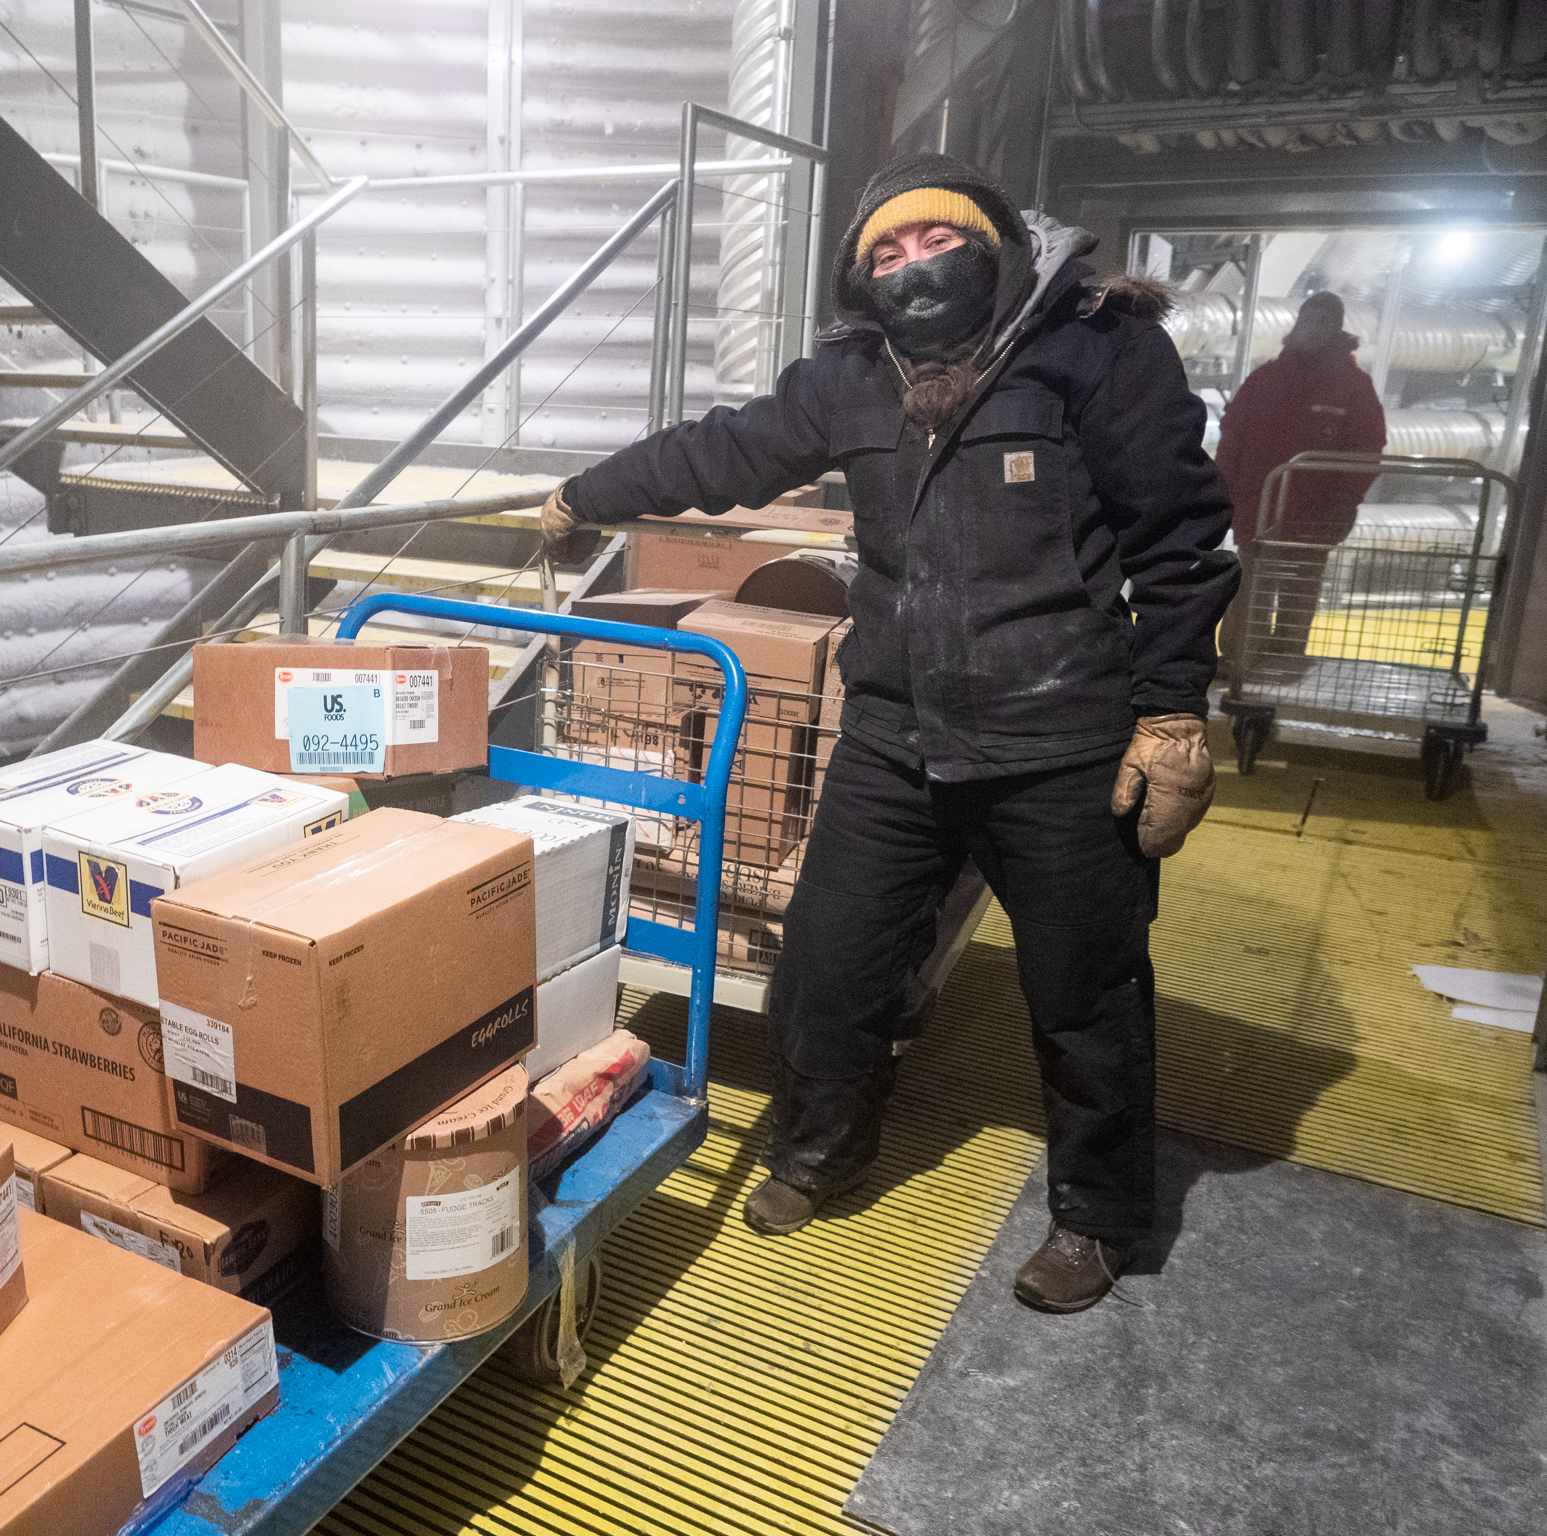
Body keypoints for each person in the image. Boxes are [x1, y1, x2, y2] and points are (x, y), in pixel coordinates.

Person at [539, 153, 1238, 1313]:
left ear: (995, 246)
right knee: (829, 963)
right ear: (862, 281)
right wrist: (584, 492)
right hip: (895, 736)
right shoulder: (853, 377)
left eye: (936, 241)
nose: (913, 266)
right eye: (886, 253)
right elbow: (720, 451)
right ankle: (822, 1147)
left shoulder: (1094, 351)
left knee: (1085, 991)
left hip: (1060, 736)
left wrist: (1169, 715)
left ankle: (1099, 1216)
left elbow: (1178, 539)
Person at [1212, 291, 1387, 682]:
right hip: (1258, 506)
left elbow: (1367, 448)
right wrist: (1223, 489)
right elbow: (1234, 436)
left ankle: (1284, 658)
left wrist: (1346, 500)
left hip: (1315, 512)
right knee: (1250, 587)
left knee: (1298, 589)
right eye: (1310, 318)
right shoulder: (1265, 379)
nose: (1314, 327)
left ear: (1337, 327)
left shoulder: (1353, 388)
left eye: (1324, 320)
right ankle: (1239, 659)